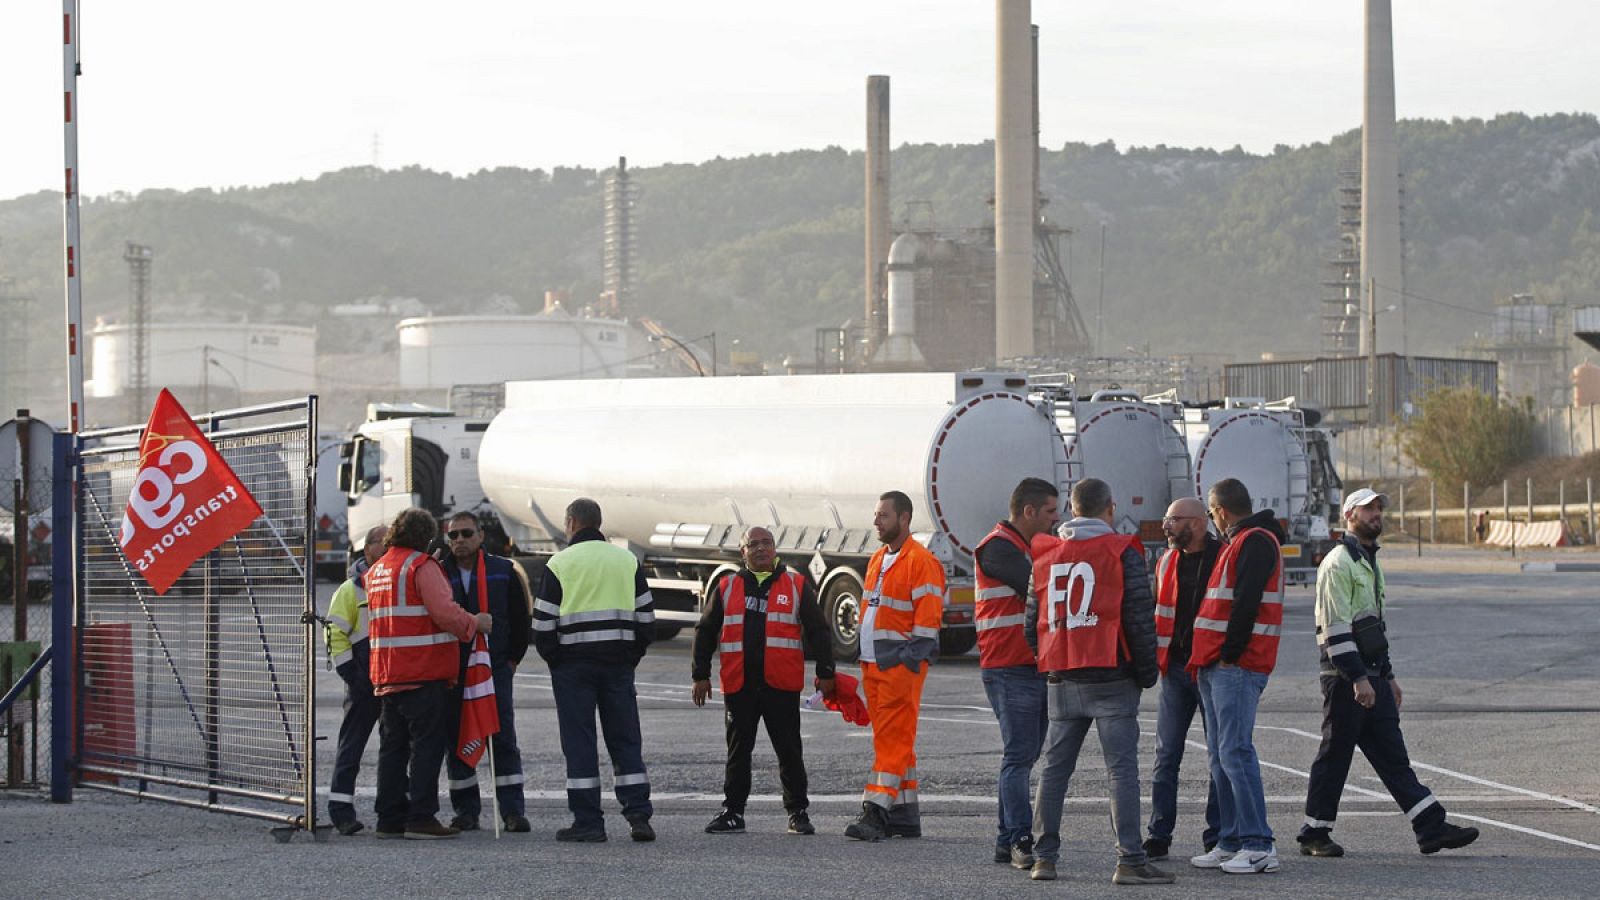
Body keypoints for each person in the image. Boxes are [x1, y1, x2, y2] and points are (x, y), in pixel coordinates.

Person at [1299, 488, 1480, 857]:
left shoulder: (1369, 561)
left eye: (1378, 508)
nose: (1376, 514)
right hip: (1345, 678)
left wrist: (1387, 675)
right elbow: (1336, 629)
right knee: (1335, 755)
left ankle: (1430, 827)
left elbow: (1373, 629)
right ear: (1349, 515)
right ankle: (1315, 833)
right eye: (1368, 509)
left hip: (1372, 676)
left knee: (1393, 756)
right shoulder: (1338, 563)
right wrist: (1358, 678)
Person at [1025, 478, 1172, 885]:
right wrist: (1146, 673)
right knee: (1121, 771)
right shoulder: (1121, 551)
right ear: (1110, 509)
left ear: (1072, 510)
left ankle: (1044, 858)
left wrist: (1050, 661)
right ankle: (1129, 860)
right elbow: (1139, 620)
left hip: (1062, 674)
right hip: (1112, 673)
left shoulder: (1047, 554)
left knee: (1054, 769)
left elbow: (1031, 623)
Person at [691, 526, 837, 835]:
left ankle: (798, 812)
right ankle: (733, 812)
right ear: (742, 552)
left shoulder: (796, 585)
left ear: (775, 548)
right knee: (738, 752)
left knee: (789, 751)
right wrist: (700, 675)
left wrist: (826, 672)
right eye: (753, 544)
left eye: (766, 543)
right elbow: (705, 630)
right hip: (740, 684)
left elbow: (819, 630)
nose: (761, 548)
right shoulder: (727, 586)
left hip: (780, 685)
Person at [534, 498, 656, 843]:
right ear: (597, 523)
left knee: (579, 743)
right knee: (625, 740)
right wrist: (629, 656)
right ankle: (638, 816)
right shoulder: (626, 561)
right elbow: (647, 620)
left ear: (571, 523)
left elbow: (543, 625)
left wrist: (556, 660)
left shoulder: (560, 563)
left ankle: (588, 821)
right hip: (617, 665)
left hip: (573, 668)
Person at [367, 509, 492, 840]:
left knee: (393, 748)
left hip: (387, 672)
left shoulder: (378, 569)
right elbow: (444, 612)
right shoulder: (421, 566)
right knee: (426, 746)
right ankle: (421, 817)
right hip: (422, 671)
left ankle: (388, 818)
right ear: (425, 537)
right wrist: (474, 623)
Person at [1187, 478, 1285, 875]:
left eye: (1212, 513)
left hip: (1237, 665)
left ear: (1221, 511)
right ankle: (1230, 840)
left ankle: (1258, 844)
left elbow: (1246, 602)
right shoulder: (1241, 541)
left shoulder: (1255, 541)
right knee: (1220, 754)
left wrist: (1229, 655)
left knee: (1234, 751)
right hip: (1217, 663)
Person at [844, 490, 945, 842]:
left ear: (904, 518)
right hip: (874, 663)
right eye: (876, 514)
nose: (876, 521)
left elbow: (928, 624)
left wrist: (907, 661)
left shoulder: (921, 561)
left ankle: (875, 810)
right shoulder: (878, 558)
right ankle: (903, 814)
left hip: (898, 666)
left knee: (893, 740)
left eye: (883, 515)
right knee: (891, 739)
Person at [973, 477, 1059, 869]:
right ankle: (1021, 840)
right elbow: (1037, 588)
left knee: (1023, 756)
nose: (1056, 519)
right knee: (1019, 757)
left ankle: (1006, 840)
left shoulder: (1022, 545)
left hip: (1030, 665)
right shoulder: (998, 547)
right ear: (1029, 511)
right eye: (1050, 511)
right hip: (1010, 666)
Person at [440, 511, 533, 834]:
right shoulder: (438, 572)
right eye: (453, 535)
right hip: (453, 670)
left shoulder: (503, 571)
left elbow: (521, 619)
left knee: (502, 737)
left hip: (494, 668)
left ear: (480, 536)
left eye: (466, 534)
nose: (460, 541)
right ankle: (466, 811)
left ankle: (512, 811)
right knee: (457, 738)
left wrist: (511, 660)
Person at [1144, 497, 1222, 861]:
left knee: (1219, 756)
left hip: (1212, 669)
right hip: (1175, 670)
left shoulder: (1223, 558)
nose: (1166, 526)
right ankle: (1158, 834)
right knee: (1166, 755)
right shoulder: (1166, 561)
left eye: (1173, 520)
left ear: (1198, 522)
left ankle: (1217, 835)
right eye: (1166, 519)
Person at [324, 524, 387, 835]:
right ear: (368, 548)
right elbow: (335, 634)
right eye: (382, 542)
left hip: (393, 679)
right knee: (351, 747)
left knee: (394, 749)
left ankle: (391, 809)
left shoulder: (396, 582)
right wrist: (352, 674)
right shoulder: (350, 590)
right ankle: (341, 811)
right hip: (363, 682)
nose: (388, 548)